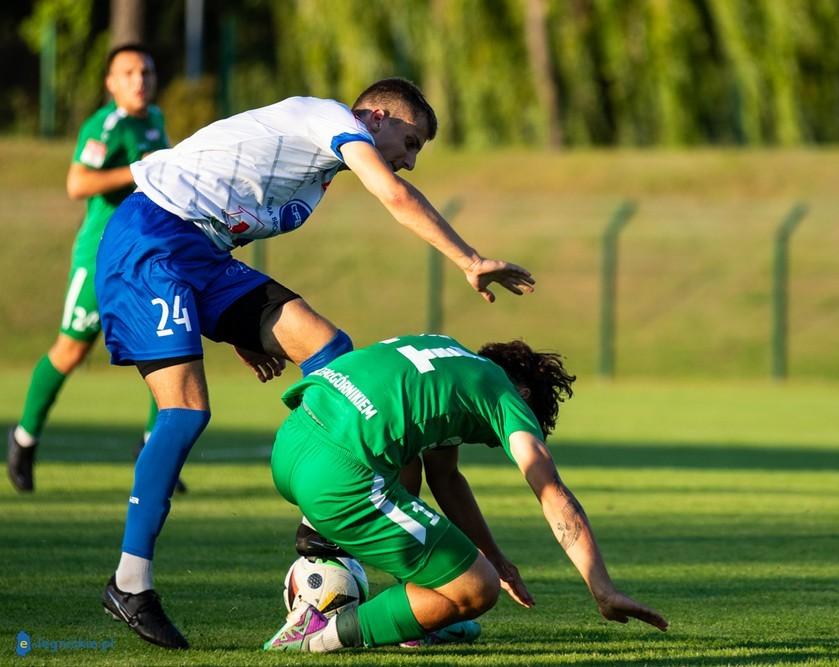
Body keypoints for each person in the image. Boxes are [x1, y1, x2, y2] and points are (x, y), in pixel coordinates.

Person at [94, 78, 535, 650]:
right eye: (411, 141)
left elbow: (218, 206)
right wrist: (470, 259)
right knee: (185, 411)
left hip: (200, 258)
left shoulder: (317, 176)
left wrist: (236, 326)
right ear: (375, 118)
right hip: (149, 242)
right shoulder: (327, 120)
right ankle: (130, 582)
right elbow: (396, 200)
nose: (410, 159)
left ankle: (329, 536)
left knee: (331, 349)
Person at [264, 334, 668, 652]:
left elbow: (446, 477)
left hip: (291, 444)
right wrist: (603, 588)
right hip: (340, 476)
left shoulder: (449, 358)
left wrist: (493, 555)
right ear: (525, 394)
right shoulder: (505, 396)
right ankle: (316, 633)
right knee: (478, 589)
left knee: (407, 468)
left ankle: (414, 617)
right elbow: (551, 492)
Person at [6, 44, 178, 494]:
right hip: (100, 258)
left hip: (145, 257)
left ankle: (153, 450)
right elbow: (77, 182)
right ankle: (24, 439)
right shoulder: (106, 126)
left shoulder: (155, 119)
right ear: (111, 82)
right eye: (129, 72)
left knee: (166, 345)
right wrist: (138, 171)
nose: (140, 79)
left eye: (147, 71)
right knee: (70, 351)